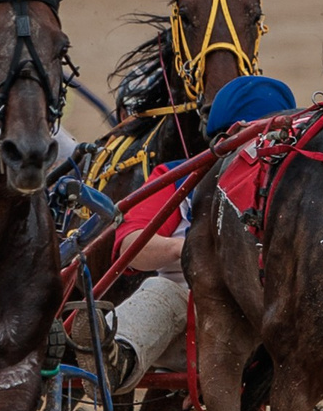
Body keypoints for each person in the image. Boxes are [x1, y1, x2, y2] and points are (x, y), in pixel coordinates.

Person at [95, 72, 297, 387]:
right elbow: (131, 248)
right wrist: (192, 250)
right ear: (220, 142)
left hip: (277, 323)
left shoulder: (302, 183)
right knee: (163, 293)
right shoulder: (179, 179)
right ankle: (115, 353)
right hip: (194, 319)